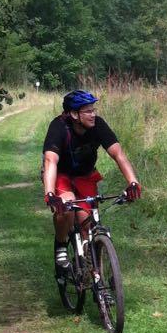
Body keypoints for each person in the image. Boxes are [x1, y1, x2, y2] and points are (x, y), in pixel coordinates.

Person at [42, 89, 141, 280]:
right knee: (67, 207)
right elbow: (50, 161)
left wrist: (133, 182)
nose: (93, 114)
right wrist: (50, 193)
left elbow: (118, 155)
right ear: (74, 114)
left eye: (93, 109)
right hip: (60, 175)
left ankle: (89, 265)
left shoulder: (98, 125)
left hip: (85, 176)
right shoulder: (59, 127)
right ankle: (61, 246)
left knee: (87, 220)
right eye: (87, 111)